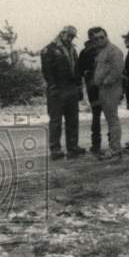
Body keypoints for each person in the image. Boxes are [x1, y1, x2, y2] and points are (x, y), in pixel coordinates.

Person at [40, 25, 85, 160]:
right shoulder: (49, 49)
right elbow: (46, 71)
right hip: (57, 89)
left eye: (72, 36)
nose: (70, 38)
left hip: (71, 88)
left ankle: (73, 147)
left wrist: (79, 87)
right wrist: (53, 87)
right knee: (56, 121)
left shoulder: (73, 50)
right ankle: (55, 149)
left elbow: (77, 70)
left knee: (73, 119)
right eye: (69, 35)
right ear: (62, 33)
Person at [90, 28, 126, 159]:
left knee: (112, 119)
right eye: (96, 38)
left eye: (101, 37)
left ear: (106, 36)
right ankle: (114, 146)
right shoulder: (102, 51)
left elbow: (117, 70)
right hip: (103, 89)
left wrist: (105, 81)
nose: (99, 40)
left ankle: (115, 148)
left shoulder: (114, 51)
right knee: (110, 119)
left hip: (111, 89)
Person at [77, 28, 103, 155]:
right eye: (93, 36)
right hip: (95, 88)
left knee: (101, 115)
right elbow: (80, 69)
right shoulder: (86, 52)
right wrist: (86, 72)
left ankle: (99, 144)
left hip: (102, 87)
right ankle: (97, 143)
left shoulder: (103, 49)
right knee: (98, 115)